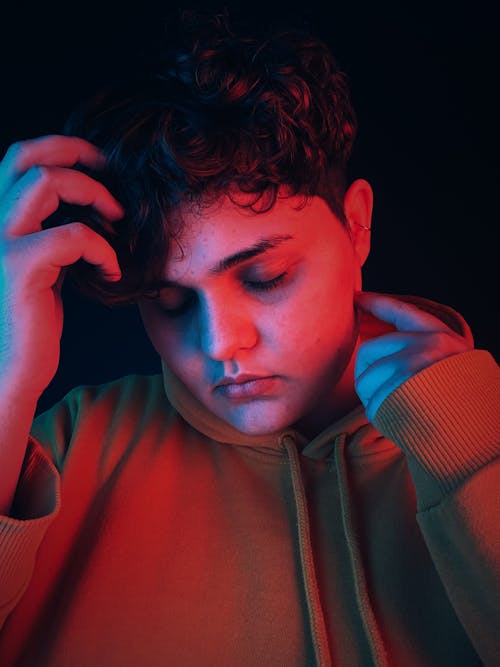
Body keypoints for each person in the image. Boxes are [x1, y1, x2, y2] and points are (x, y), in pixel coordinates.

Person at [0, 9, 498, 667]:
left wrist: (471, 452)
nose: (220, 344)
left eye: (266, 275)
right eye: (170, 301)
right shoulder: (57, 455)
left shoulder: (488, 427)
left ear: (356, 225)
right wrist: (7, 377)